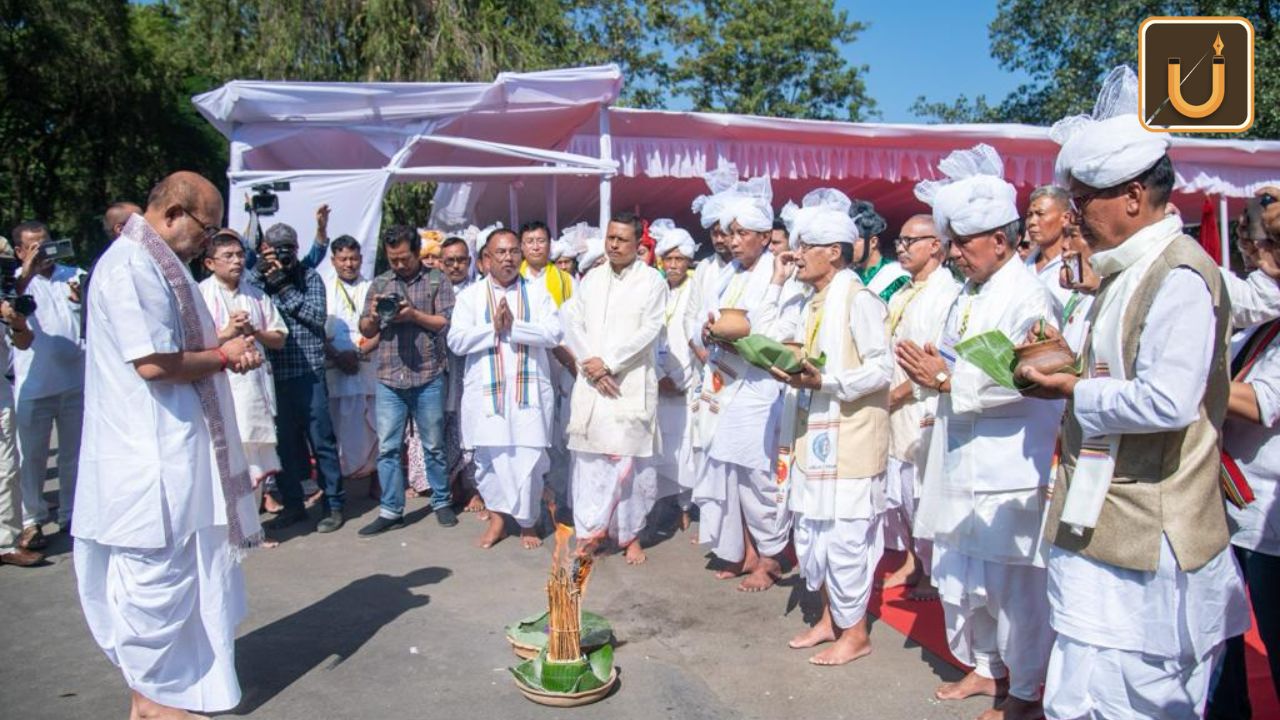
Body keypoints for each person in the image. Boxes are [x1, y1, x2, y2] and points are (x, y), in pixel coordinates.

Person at [1022, 67, 1251, 720]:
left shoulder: (1178, 273)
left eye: (1083, 198)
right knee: (1081, 693)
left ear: (1130, 197)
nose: (1073, 216)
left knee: (1138, 702)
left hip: (1153, 546)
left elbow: (1170, 402)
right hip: (1102, 528)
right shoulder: (1124, 272)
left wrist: (1074, 390)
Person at [73, 171, 264, 718]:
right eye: (207, 227)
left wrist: (223, 342)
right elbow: (154, 363)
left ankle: (165, 695)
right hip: (145, 459)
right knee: (152, 582)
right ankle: (151, 699)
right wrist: (224, 359)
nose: (212, 240)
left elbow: (173, 346)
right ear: (175, 211)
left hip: (175, 452)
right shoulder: (130, 266)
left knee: (181, 578)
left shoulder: (160, 261)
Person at [899, 144, 1060, 720]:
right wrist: (932, 373)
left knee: (1015, 587)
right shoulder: (967, 293)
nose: (955, 254)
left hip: (1010, 464)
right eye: (952, 243)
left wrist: (947, 382)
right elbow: (953, 359)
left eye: (964, 243)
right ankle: (989, 668)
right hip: (960, 453)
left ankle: (1026, 692)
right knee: (968, 578)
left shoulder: (1029, 295)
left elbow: (1036, 373)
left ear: (1000, 238)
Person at [770, 196, 893, 666]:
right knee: (813, 538)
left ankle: (856, 633)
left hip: (853, 443)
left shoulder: (859, 300)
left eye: (806, 246)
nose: (796, 254)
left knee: (844, 542)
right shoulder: (810, 300)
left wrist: (829, 381)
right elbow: (778, 336)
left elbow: (883, 368)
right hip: (812, 437)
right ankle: (828, 620)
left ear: (835, 254)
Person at [691, 175, 792, 592]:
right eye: (730, 233)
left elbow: (774, 329)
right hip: (720, 382)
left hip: (757, 388)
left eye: (742, 233)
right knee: (725, 472)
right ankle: (742, 551)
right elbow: (703, 321)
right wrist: (707, 334)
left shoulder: (780, 272)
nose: (733, 242)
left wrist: (732, 333)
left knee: (757, 475)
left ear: (766, 236)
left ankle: (770, 558)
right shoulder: (724, 273)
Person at [562, 211, 667, 564]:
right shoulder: (591, 279)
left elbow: (649, 330)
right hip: (593, 385)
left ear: (638, 244)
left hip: (629, 385)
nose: (614, 245)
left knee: (630, 465)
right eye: (610, 238)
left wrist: (610, 362)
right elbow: (572, 321)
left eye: (622, 239)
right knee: (591, 464)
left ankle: (630, 536)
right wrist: (591, 364)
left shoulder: (652, 281)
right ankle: (591, 533)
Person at [448, 228, 563, 549]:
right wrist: (492, 329)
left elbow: (554, 334)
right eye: (501, 252)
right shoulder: (470, 297)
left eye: (514, 251)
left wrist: (515, 328)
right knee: (490, 460)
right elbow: (456, 341)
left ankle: (528, 521)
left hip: (528, 400)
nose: (509, 258)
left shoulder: (538, 293)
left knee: (529, 459)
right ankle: (499, 519)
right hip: (487, 399)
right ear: (486, 259)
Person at [1208, 231, 1280, 720]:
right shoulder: (1260, 327)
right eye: (1256, 241)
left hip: (1270, 520)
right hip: (1232, 506)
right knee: (1223, 639)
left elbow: (1259, 403)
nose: (1258, 253)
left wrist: (1185, 377)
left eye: (1270, 241)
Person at [879, 214, 961, 601]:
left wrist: (895, 395)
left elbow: (934, 360)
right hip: (895, 407)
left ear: (936, 246)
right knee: (902, 491)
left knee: (924, 489)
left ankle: (933, 571)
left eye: (911, 241)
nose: (901, 247)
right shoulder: (901, 292)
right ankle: (914, 560)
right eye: (900, 240)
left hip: (921, 404)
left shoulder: (947, 294)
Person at [245, 223, 346, 534]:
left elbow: (316, 318)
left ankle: (334, 504)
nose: (284, 256)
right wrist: (267, 277)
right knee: (285, 445)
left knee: (322, 441)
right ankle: (293, 505)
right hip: (273, 374)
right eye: (277, 250)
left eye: (289, 249)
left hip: (309, 371)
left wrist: (284, 287)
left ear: (297, 249)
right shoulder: (255, 280)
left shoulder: (309, 277)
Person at [358, 224, 456, 534]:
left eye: (404, 258)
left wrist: (413, 315)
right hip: (389, 376)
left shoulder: (437, 280)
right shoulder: (380, 283)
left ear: (417, 252)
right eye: (392, 259)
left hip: (428, 374)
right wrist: (374, 315)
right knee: (387, 447)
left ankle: (442, 501)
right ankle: (391, 510)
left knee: (434, 444)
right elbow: (366, 331)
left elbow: (445, 323)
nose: (398, 265)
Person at [11, 220, 86, 550]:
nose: (44, 251)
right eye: (34, 246)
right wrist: (27, 269)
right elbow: (13, 298)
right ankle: (33, 520)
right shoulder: (17, 281)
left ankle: (71, 513)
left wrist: (81, 298)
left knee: (73, 454)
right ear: (19, 251)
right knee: (33, 458)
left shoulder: (73, 274)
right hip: (33, 385)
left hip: (75, 382)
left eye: (48, 243)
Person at [199, 230, 288, 506]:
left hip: (252, 393)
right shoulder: (199, 295)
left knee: (253, 458)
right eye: (228, 256)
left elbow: (280, 339)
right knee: (221, 460)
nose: (237, 261)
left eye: (239, 255)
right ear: (210, 263)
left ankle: (251, 531)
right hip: (217, 390)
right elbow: (192, 346)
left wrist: (254, 331)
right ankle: (227, 534)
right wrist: (227, 332)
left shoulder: (257, 296)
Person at [650, 220, 699, 527]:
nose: (673, 265)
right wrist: (658, 377)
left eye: (679, 259)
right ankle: (665, 505)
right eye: (669, 259)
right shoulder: (656, 290)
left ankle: (686, 507)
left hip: (689, 382)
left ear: (688, 262)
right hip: (660, 380)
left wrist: (684, 380)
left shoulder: (696, 289)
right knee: (663, 446)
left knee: (687, 445)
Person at [324, 235, 378, 483]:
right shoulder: (323, 288)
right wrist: (336, 355)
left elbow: (385, 328)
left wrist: (358, 353)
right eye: (343, 259)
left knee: (373, 424)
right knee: (340, 427)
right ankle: (343, 479)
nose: (349, 264)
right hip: (335, 368)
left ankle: (374, 479)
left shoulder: (374, 288)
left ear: (361, 259)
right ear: (333, 261)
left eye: (354, 258)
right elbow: (316, 329)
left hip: (366, 366)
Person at [0, 236, 40, 566]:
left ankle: (6, 543)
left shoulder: (6, 297)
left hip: (1, 390)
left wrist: (16, 321)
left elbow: (24, 343)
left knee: (7, 468)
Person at [439, 235, 483, 513]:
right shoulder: (432, 291)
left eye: (461, 260)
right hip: (441, 371)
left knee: (474, 428)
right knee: (445, 427)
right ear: (441, 264)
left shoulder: (480, 292)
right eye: (449, 261)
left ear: (470, 262)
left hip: (472, 368)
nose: (455, 266)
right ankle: (453, 487)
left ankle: (474, 488)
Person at [1023, 185, 1075, 315]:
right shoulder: (1024, 265)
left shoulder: (1075, 264)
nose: (1032, 222)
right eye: (1029, 215)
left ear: (1066, 219)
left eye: (1040, 214)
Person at [849, 200, 910, 303]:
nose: (850, 246)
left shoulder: (898, 275)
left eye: (855, 240)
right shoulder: (851, 276)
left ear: (873, 242)